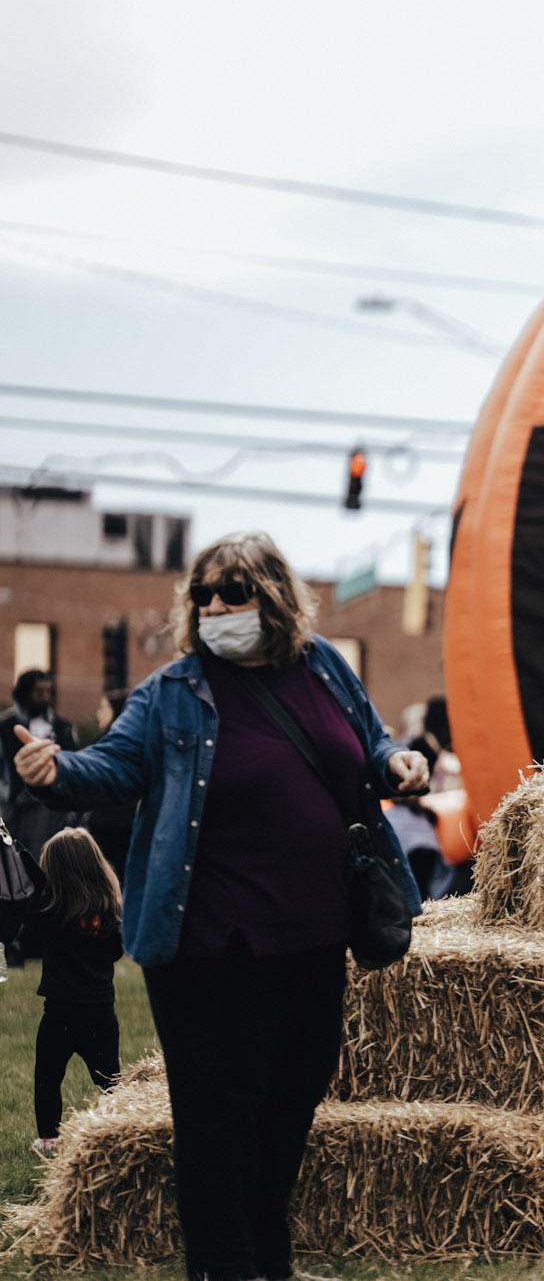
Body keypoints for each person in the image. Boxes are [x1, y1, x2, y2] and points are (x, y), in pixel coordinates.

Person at [12, 530, 426, 1281]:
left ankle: (271, 1260)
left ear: (272, 597)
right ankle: (223, 1266)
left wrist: (393, 761)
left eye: (230, 591)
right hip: (209, 945)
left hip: (313, 936)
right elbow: (111, 764)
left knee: (291, 1100)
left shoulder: (324, 666)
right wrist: (54, 772)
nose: (212, 605)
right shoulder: (175, 689)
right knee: (218, 1114)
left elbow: (367, 740)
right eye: (202, 592)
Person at [26, 827, 124, 1154]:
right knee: (111, 1081)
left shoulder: (49, 911)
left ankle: (50, 1140)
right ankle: (122, 1132)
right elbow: (115, 953)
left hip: (60, 1013)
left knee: (48, 1078)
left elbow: (30, 935)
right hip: (100, 1012)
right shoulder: (109, 911)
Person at [2, 671, 77, 861]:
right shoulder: (5, 726)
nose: (45, 697)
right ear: (24, 693)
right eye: (39, 692)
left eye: (48, 691)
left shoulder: (62, 725)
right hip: (12, 809)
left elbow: (73, 763)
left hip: (51, 810)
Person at [84, 689, 137, 888]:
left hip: (107, 825)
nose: (99, 713)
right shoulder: (137, 744)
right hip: (130, 825)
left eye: (103, 708)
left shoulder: (107, 746)